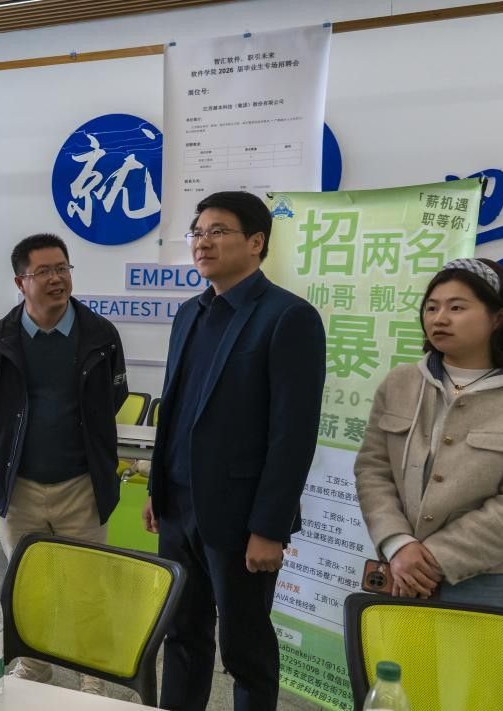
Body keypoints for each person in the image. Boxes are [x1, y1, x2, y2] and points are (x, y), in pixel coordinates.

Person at [143, 191, 326, 711]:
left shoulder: (289, 317)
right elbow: (174, 411)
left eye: (218, 231)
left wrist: (269, 527)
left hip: (242, 518)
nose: (203, 242)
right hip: (178, 507)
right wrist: (158, 489)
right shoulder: (189, 314)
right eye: (197, 232)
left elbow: (293, 434)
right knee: (182, 636)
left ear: (256, 242)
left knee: (245, 650)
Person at [0, 233, 127, 691]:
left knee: (87, 588)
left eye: (63, 268)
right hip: (19, 485)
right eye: (44, 271)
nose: (57, 279)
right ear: (21, 282)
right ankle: (33, 668)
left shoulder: (101, 336)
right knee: (29, 586)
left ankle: (91, 675)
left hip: (81, 484)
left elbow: (114, 396)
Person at [355, 258, 503, 611]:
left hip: (491, 581)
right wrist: (397, 544)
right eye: (432, 307)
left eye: (457, 307)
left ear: (498, 317)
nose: (439, 318)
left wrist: (433, 558)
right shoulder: (401, 383)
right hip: (400, 572)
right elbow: (372, 469)